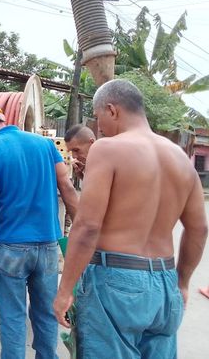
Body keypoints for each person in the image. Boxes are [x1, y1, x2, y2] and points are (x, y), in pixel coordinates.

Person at [53, 79, 208, 359]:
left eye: (99, 117)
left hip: (116, 282)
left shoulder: (107, 149)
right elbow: (199, 228)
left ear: (112, 110)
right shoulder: (182, 159)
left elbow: (87, 226)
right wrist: (182, 283)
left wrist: (65, 290)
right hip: (165, 283)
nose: (99, 128)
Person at [0, 101, 79, 359]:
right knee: (46, 313)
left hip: (11, 246)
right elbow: (68, 188)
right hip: (47, 246)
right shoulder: (45, 145)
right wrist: (81, 233)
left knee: (13, 318)